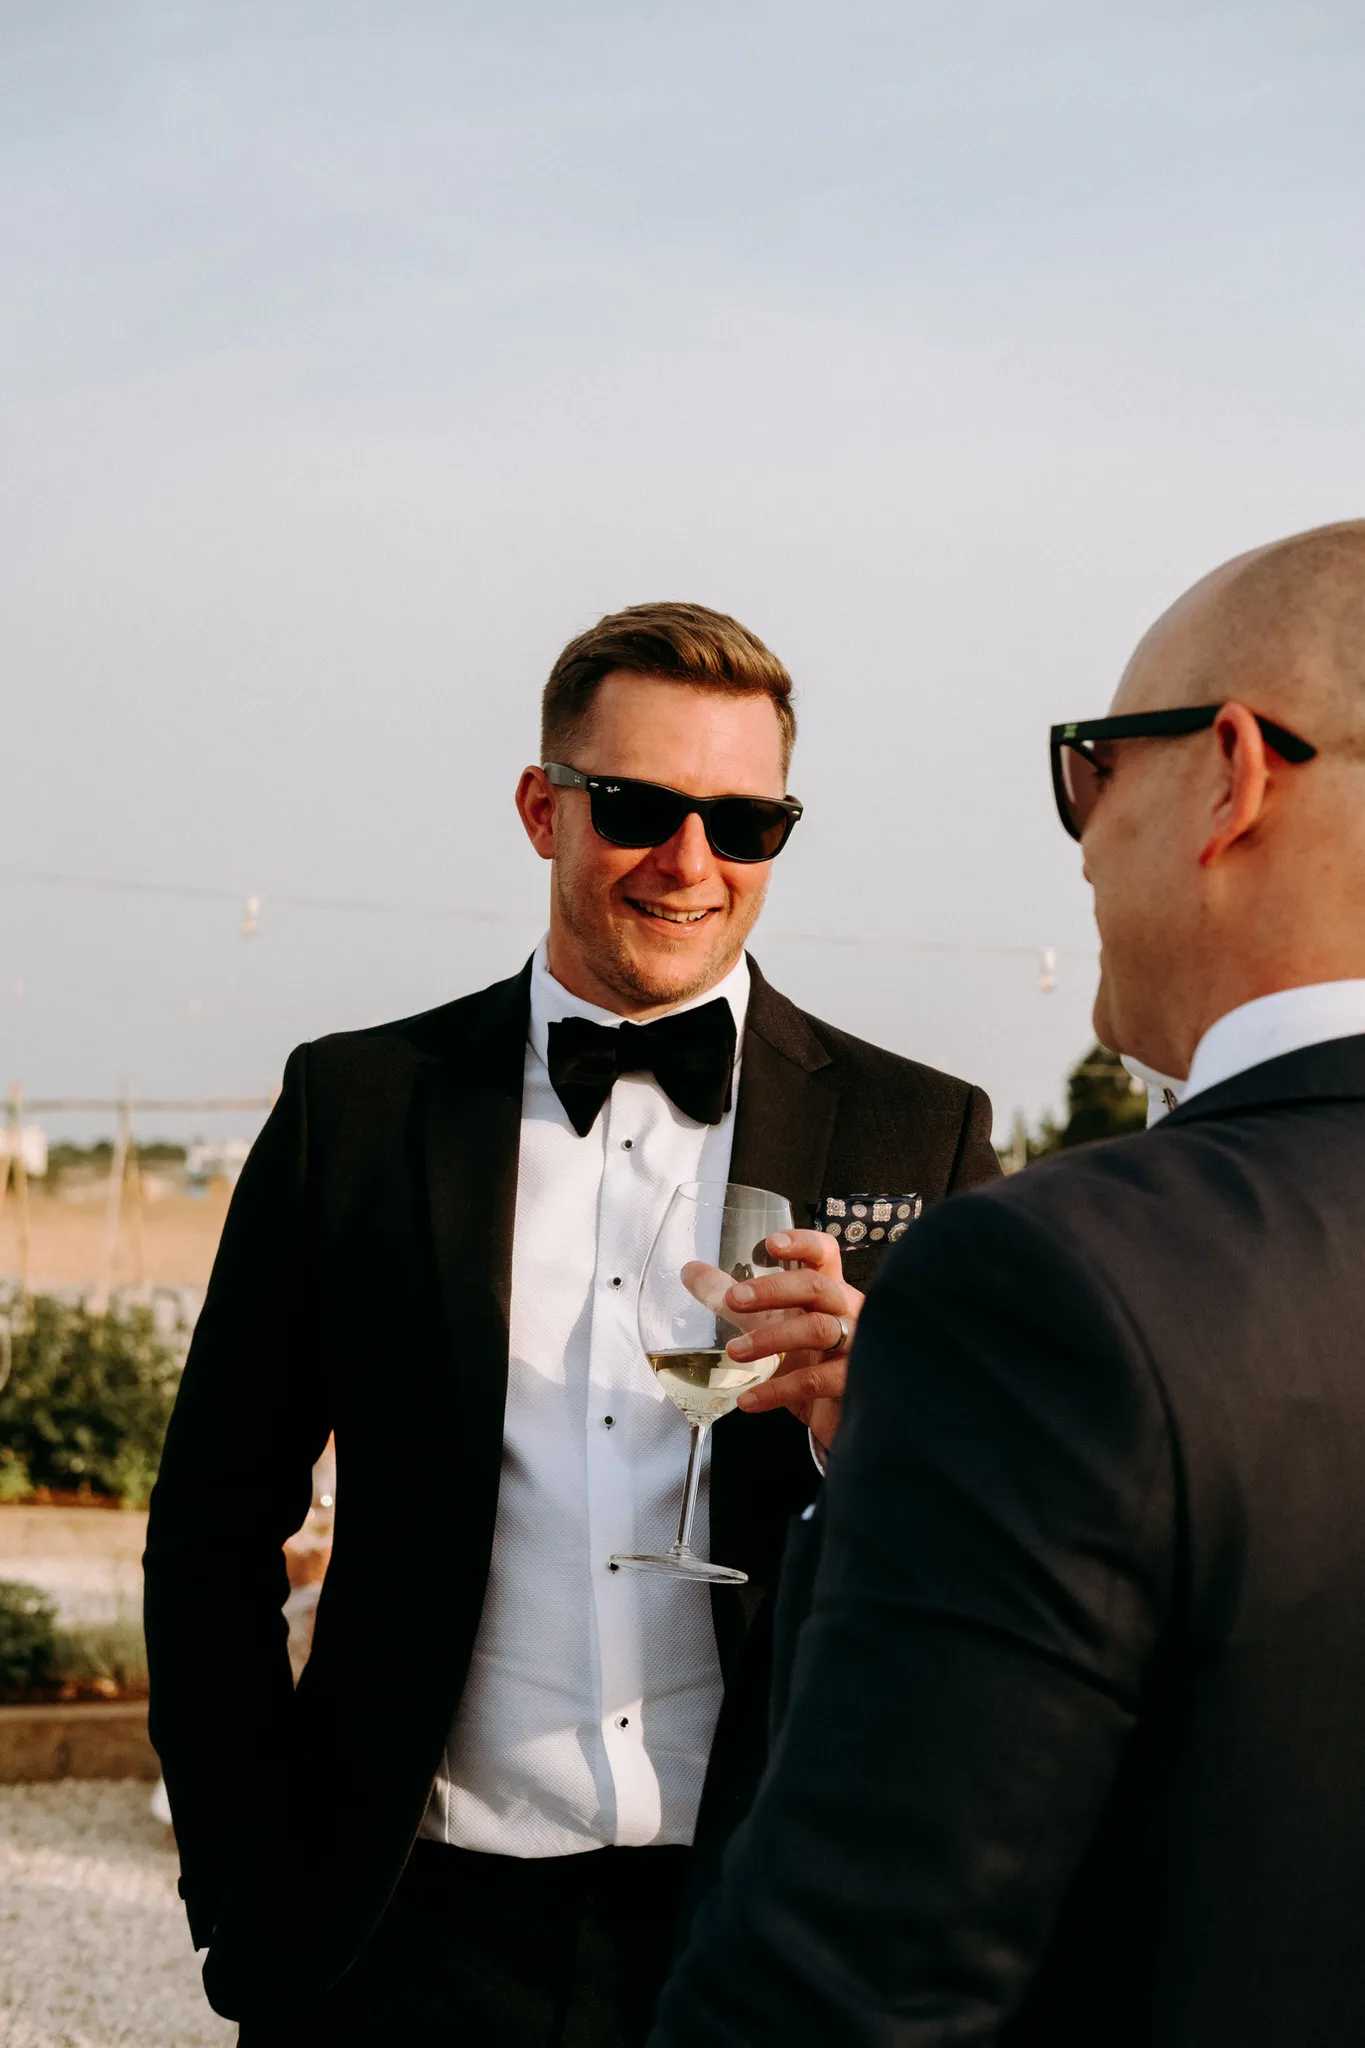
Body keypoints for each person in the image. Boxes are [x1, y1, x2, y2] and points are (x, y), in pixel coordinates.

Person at [144, 600, 998, 2044]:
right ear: (545, 808)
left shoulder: (923, 1132)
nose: (689, 863)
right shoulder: (359, 1108)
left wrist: (879, 1431)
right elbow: (214, 1521)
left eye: (744, 824)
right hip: (405, 1938)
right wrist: (241, 1883)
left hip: (768, 1931)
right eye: (639, 807)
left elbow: (989, 1551)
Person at [649, 519, 1365, 2047]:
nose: (1085, 834)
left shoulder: (1062, 1280)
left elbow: (847, 1996)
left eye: (1092, 766)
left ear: (1232, 775)